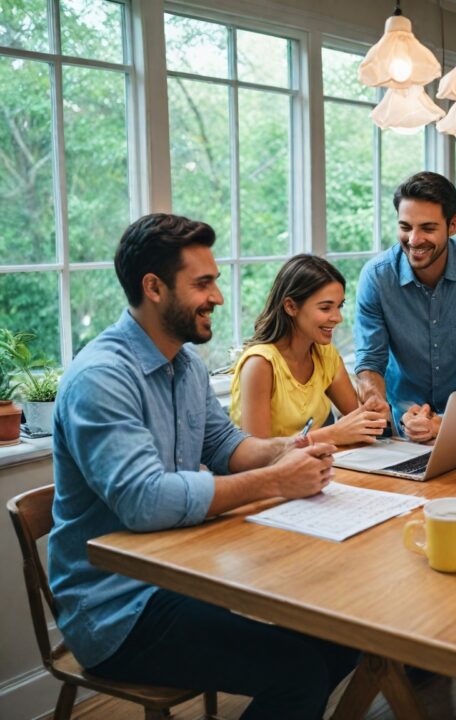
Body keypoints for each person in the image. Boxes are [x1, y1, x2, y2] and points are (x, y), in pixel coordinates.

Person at [48, 214, 358, 720]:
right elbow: (145, 500)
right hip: (119, 608)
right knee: (298, 673)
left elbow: (227, 445)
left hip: (187, 574)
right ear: (153, 287)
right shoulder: (101, 378)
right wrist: (276, 479)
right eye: (203, 283)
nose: (218, 296)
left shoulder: (185, 364)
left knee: (347, 631)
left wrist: (289, 450)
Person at [353, 171, 456, 442]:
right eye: (405, 227)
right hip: (402, 422)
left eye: (428, 228)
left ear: (453, 225)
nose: (414, 240)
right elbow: (370, 359)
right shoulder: (377, 277)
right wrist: (377, 407)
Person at [231, 254, 385, 444]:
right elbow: (255, 452)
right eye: (325, 308)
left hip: (309, 467)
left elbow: (359, 419)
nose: (338, 318)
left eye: (339, 306)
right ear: (290, 307)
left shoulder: (325, 355)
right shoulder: (260, 364)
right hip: (267, 473)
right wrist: (331, 434)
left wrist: (378, 413)